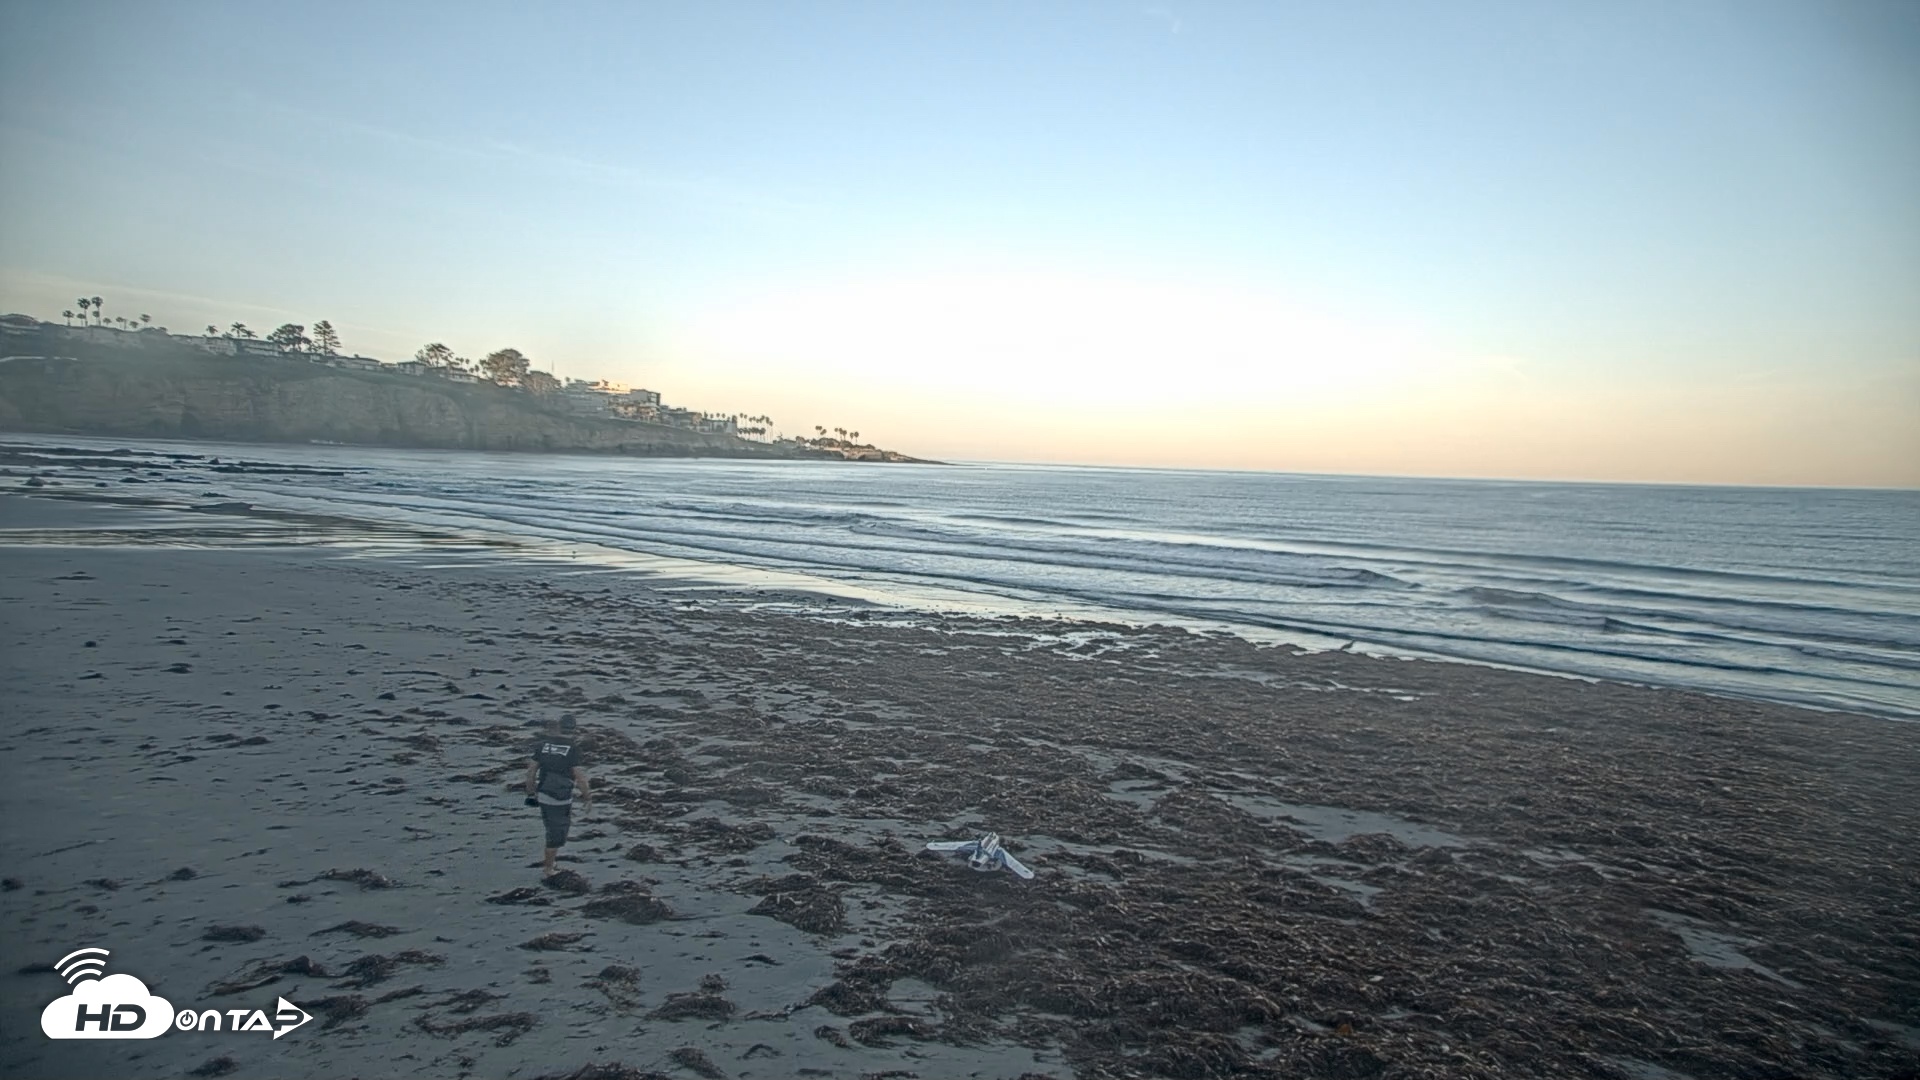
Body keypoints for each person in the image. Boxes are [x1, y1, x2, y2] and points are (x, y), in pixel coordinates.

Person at [523, 716, 592, 878]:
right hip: (561, 797)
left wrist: (531, 793)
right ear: (574, 729)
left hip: (543, 794)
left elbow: (531, 772)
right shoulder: (573, 748)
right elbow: (579, 776)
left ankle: (550, 864)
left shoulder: (542, 745)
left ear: (559, 727)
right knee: (557, 832)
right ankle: (548, 869)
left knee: (552, 829)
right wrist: (587, 797)